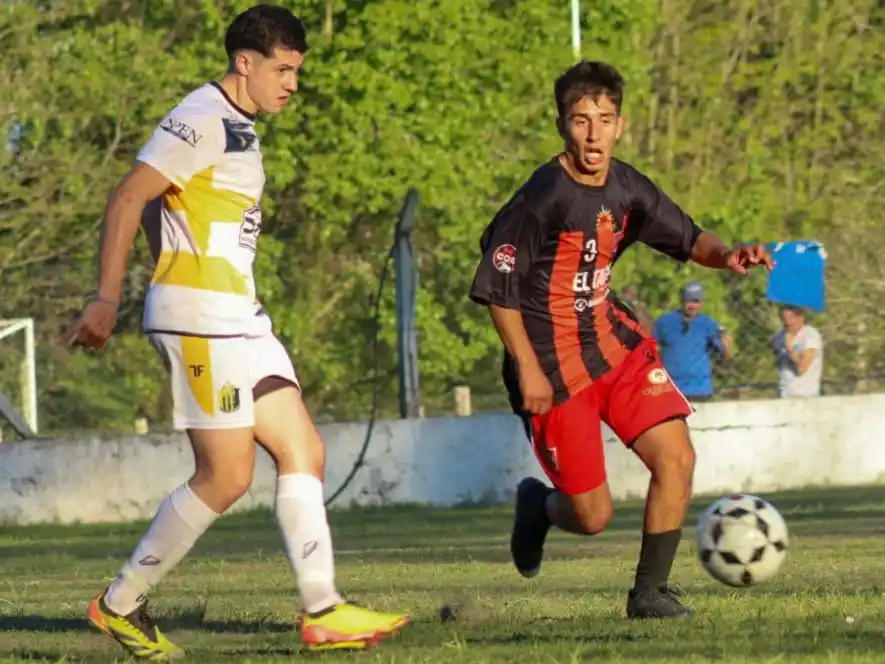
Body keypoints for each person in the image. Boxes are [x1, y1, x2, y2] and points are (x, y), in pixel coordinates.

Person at [65, 5, 408, 659]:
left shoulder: (239, 124)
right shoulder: (200, 118)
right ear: (244, 63)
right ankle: (120, 603)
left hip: (240, 319)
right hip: (201, 319)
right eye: (283, 69)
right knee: (225, 477)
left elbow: (168, 209)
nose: (292, 83)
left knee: (303, 450)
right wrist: (106, 298)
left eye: (297, 70)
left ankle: (322, 611)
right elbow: (127, 196)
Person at [468, 60, 772, 620]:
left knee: (677, 456)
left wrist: (727, 256)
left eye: (604, 120)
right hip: (553, 370)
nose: (593, 134)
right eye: (581, 121)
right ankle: (539, 507)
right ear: (562, 124)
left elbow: (687, 236)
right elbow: (497, 289)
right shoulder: (540, 197)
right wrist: (527, 369)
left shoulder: (627, 186)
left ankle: (649, 593)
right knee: (592, 517)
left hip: (614, 348)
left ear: (620, 124)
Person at [654, 281, 732, 402]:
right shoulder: (664, 322)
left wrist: (726, 344)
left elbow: (724, 356)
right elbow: (650, 348)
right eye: (688, 301)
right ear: (682, 301)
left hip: (700, 389)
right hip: (671, 388)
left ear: (701, 303)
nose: (692, 306)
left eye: (696, 301)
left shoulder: (708, 324)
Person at [773, 305, 823, 398]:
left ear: (801, 317)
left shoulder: (810, 336)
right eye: (784, 319)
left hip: (807, 395)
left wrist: (789, 348)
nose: (788, 322)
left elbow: (801, 368)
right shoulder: (780, 336)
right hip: (785, 395)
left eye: (791, 318)